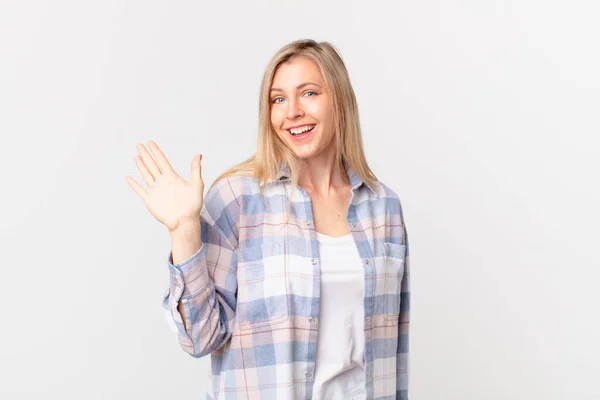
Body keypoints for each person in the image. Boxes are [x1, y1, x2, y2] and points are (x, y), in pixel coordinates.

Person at [126, 39, 410, 400]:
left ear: (340, 100)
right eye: (278, 99)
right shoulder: (238, 200)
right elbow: (200, 338)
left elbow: (394, 352)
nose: (291, 111)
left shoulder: (384, 207)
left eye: (308, 93)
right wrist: (183, 230)